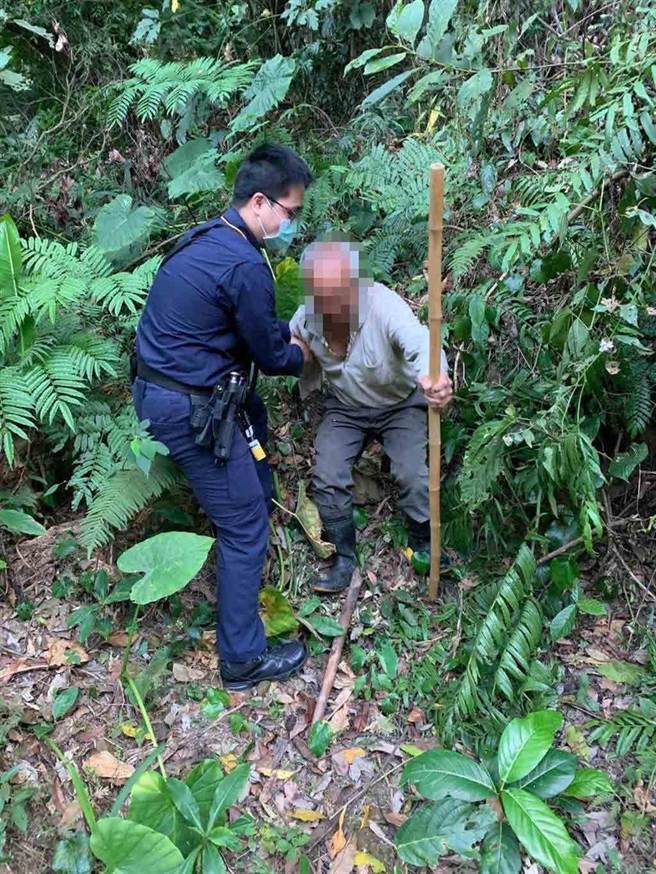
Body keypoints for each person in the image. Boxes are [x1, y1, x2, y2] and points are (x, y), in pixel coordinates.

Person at [132, 143, 313, 689]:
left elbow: (240, 326)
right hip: (189, 408)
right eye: (290, 212)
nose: (292, 224)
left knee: (252, 414)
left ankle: (257, 487)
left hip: (159, 388)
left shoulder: (208, 238)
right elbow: (272, 357)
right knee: (243, 526)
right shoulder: (246, 265)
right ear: (259, 202)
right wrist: (302, 352)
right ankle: (242, 660)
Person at [290, 240, 453, 594]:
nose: (327, 306)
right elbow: (296, 338)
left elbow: (419, 341)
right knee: (327, 474)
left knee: (412, 474)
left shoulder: (383, 305)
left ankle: (422, 542)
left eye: (336, 294)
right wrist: (294, 353)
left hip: (399, 403)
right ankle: (343, 555)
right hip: (346, 406)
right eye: (320, 296)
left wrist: (435, 376)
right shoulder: (308, 315)